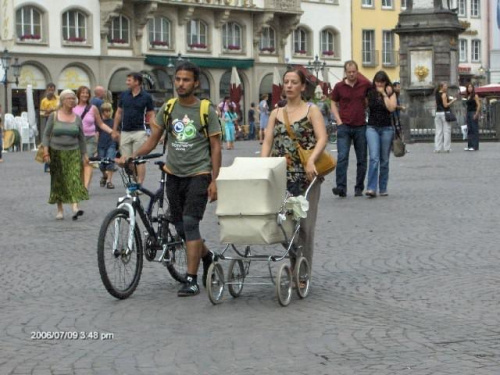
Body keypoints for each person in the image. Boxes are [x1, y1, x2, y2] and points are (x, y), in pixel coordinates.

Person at [128, 61, 222, 297]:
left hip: (199, 174)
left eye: (186, 80)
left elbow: (216, 147)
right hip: (173, 175)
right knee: (180, 227)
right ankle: (208, 256)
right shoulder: (168, 108)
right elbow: (151, 141)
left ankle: (191, 279)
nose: (181, 84)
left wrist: (215, 180)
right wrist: (130, 155)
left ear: (196, 83)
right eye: (178, 79)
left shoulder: (205, 110)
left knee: (190, 223)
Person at [261, 68, 327, 275]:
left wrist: (312, 161)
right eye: (286, 82)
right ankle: (295, 261)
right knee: (281, 223)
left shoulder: (311, 110)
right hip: (281, 175)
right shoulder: (276, 113)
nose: (289, 85)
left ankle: (302, 271)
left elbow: (322, 138)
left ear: (302, 87)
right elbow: (268, 141)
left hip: (306, 175)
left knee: (305, 227)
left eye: (293, 82)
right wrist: (262, 165)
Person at [42, 89, 88, 220]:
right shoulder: (54, 116)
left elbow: (81, 137)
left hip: (73, 151)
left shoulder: (77, 118)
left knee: (74, 178)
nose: (71, 101)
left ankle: (75, 207)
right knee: (59, 180)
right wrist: (46, 152)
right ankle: (60, 209)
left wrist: (84, 154)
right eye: (69, 98)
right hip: (56, 151)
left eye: (73, 98)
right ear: (62, 101)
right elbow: (46, 134)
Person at [330, 60, 371, 197]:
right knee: (342, 157)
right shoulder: (339, 86)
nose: (352, 74)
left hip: (360, 126)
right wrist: (338, 120)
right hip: (344, 126)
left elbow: (372, 95)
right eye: (349, 72)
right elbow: (333, 103)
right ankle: (341, 187)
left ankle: (359, 187)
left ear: (357, 71)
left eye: (354, 72)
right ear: (345, 72)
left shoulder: (364, 85)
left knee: (362, 159)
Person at [111, 72, 155, 184]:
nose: (127, 82)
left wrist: (154, 132)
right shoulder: (124, 95)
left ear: (137, 82)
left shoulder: (146, 97)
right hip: (125, 131)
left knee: (139, 159)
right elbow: (119, 113)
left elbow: (151, 114)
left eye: (129, 80)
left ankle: (139, 183)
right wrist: (115, 129)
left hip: (140, 131)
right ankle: (135, 181)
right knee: (126, 161)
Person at [365, 71, 397, 198]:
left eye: (382, 82)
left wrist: (384, 94)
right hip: (372, 127)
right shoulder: (370, 92)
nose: (379, 84)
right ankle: (371, 188)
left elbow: (391, 108)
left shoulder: (390, 92)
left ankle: (383, 187)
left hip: (386, 128)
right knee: (374, 158)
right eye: (377, 82)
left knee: (384, 160)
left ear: (386, 82)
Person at [74, 85, 112, 190]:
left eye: (87, 93)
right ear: (78, 94)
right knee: (78, 163)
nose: (85, 95)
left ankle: (85, 187)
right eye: (83, 93)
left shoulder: (93, 108)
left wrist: (111, 131)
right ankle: (80, 184)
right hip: (75, 139)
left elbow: (100, 124)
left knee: (88, 161)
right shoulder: (73, 108)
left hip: (90, 138)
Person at [97, 102, 117, 188]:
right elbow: (97, 134)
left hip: (111, 143)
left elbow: (117, 133)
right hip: (101, 144)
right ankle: (104, 175)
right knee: (101, 164)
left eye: (109, 111)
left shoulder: (114, 122)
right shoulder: (99, 122)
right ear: (102, 112)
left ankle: (109, 181)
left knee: (110, 161)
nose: (108, 113)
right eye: (106, 111)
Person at [40, 83, 59, 173]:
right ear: (47, 90)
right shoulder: (44, 101)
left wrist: (52, 110)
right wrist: (48, 112)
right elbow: (41, 114)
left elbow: (61, 109)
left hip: (58, 121)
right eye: (49, 89)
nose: (51, 91)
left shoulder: (58, 99)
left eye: (52, 89)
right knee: (49, 143)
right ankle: (47, 165)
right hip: (49, 122)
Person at [434, 81, 457, 153]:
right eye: (445, 86)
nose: (446, 87)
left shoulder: (437, 94)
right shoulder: (443, 94)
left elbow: (436, 104)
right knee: (446, 131)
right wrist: (452, 101)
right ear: (442, 87)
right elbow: (445, 105)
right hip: (444, 113)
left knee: (438, 131)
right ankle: (447, 148)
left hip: (438, 113)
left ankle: (437, 148)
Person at [464, 83, 481, 151]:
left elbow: (479, 105)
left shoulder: (475, 95)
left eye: (471, 87)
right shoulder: (468, 96)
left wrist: (476, 114)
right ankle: (470, 145)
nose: (469, 88)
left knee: (474, 129)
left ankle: (475, 146)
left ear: (473, 88)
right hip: (468, 113)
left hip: (473, 112)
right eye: (468, 87)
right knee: (469, 129)